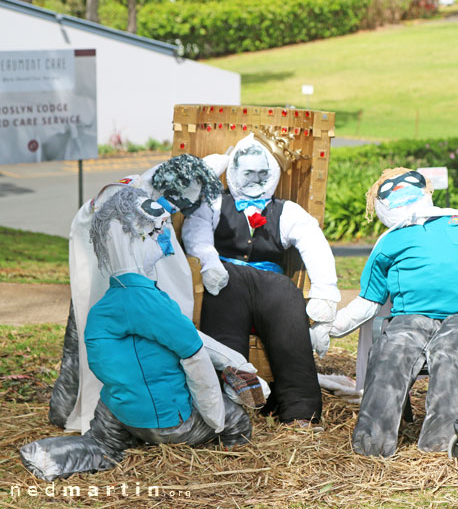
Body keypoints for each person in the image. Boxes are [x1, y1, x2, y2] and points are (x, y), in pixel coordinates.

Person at [20, 189, 253, 482]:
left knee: (105, 435)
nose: (163, 241)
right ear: (138, 239)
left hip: (118, 413)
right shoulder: (150, 301)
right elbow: (196, 358)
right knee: (237, 419)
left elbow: (102, 362)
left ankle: (52, 454)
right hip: (168, 421)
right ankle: (229, 453)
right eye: (157, 234)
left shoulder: (104, 306)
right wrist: (216, 417)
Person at [49, 153, 269, 434]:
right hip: (108, 278)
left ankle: (76, 408)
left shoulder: (152, 215)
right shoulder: (129, 203)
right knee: (84, 343)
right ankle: (72, 409)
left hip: (126, 288)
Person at [329, 168, 458, 457]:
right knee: (391, 351)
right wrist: (327, 327)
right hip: (410, 316)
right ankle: (371, 446)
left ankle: (439, 444)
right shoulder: (389, 241)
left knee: (451, 354)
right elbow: (368, 301)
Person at [182, 134, 341, 428]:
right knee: (224, 329)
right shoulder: (215, 203)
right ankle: (229, 405)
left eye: (262, 174)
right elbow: (197, 233)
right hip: (225, 278)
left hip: (271, 281)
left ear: (272, 175)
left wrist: (324, 291)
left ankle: (300, 412)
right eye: (248, 173)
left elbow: (313, 242)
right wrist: (209, 262)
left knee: (290, 320)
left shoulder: (286, 211)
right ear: (234, 173)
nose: (255, 179)